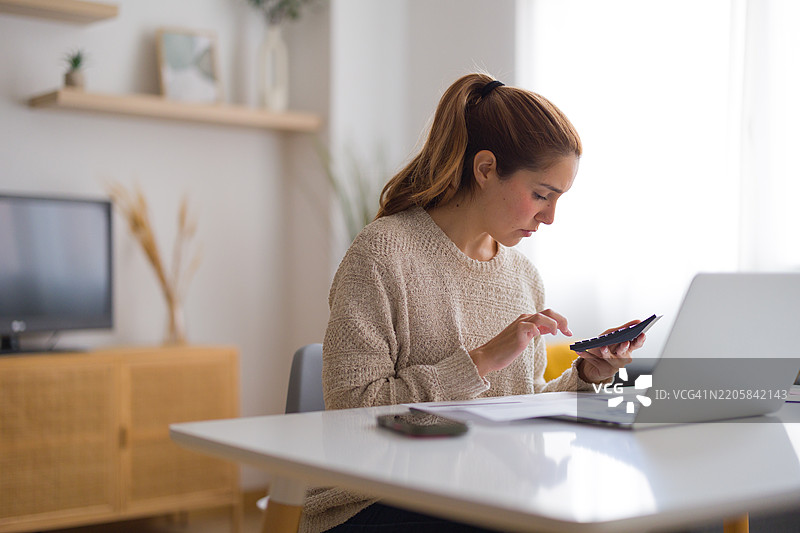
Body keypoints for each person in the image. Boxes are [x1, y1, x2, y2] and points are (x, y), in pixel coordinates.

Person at [299, 73, 647, 533]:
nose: (550, 216)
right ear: (485, 169)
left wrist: (585, 376)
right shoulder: (382, 255)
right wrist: (480, 361)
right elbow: (351, 417)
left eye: (558, 199)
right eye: (542, 195)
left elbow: (516, 412)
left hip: (485, 491)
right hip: (378, 498)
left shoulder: (523, 276)